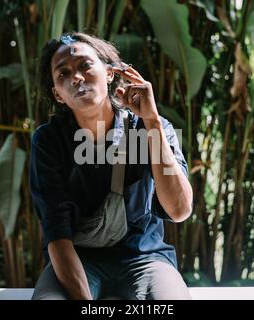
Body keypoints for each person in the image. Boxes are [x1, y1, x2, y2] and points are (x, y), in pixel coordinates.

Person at [30, 32, 193, 300]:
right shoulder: (49, 141)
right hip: (79, 258)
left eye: (85, 66)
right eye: (63, 74)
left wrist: (151, 122)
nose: (77, 78)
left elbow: (179, 209)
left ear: (108, 73)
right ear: (57, 95)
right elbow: (56, 234)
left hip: (145, 257)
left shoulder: (152, 126)